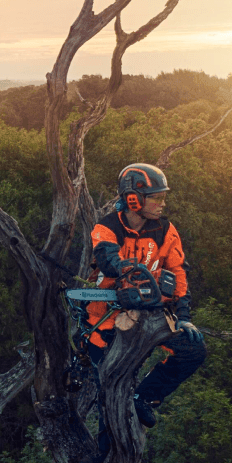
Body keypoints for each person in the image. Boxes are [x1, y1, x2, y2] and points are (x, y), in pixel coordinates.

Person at [86, 163, 206, 442]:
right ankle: (106, 452)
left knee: (193, 350)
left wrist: (184, 315)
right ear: (133, 198)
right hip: (105, 320)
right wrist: (127, 273)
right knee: (112, 390)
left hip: (151, 315)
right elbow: (106, 258)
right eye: (157, 198)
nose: (163, 204)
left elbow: (178, 271)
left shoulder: (165, 230)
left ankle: (146, 397)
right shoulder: (107, 227)